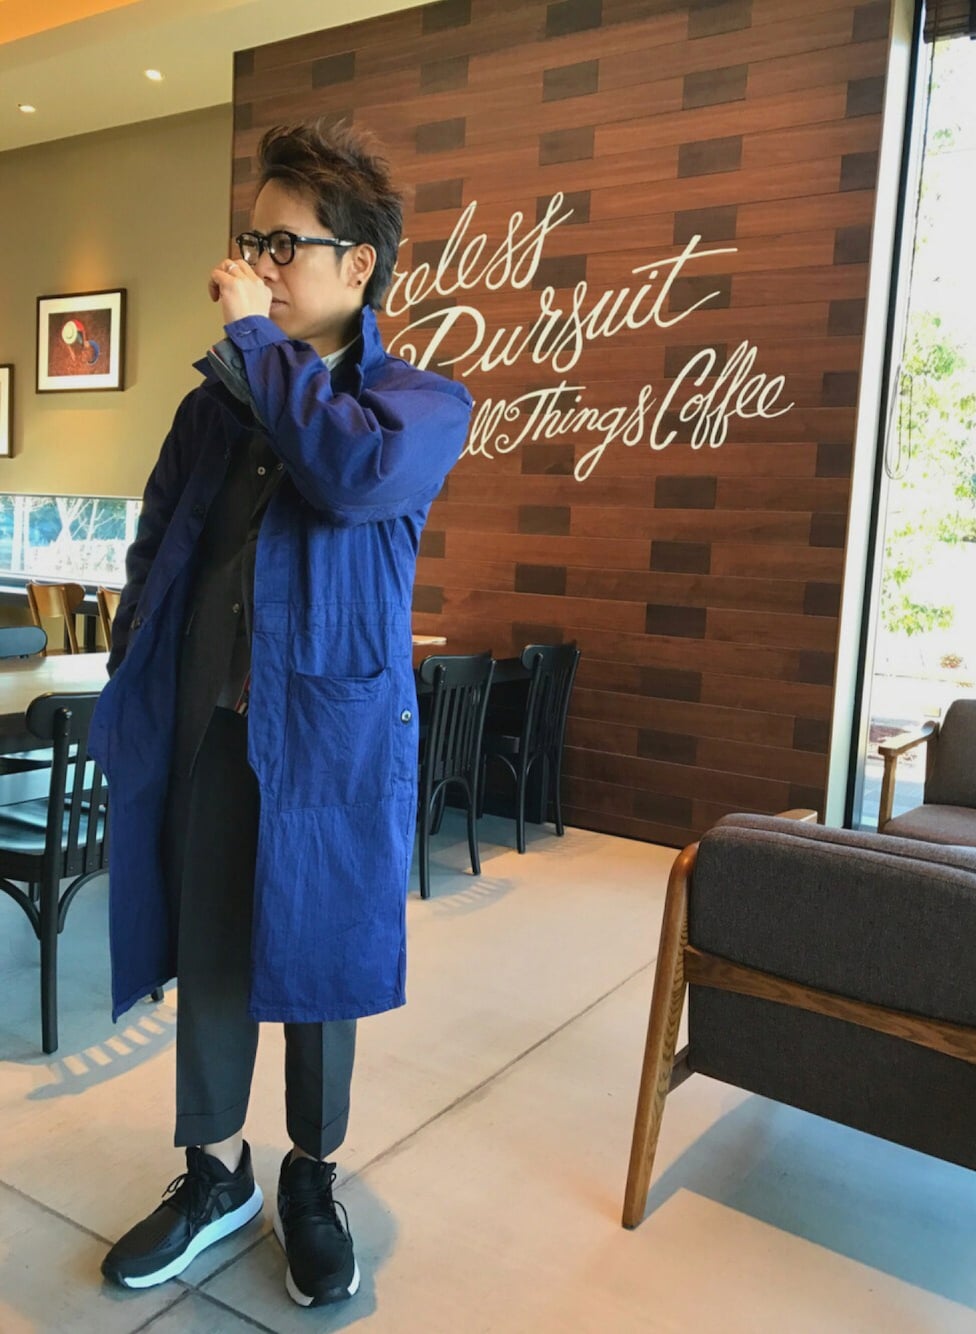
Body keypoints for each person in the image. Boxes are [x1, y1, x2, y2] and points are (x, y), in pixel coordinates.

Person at [89, 120, 472, 1308]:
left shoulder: (417, 403)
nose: (254, 265)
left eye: (282, 245)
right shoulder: (212, 408)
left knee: (318, 958)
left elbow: (347, 475)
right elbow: (156, 540)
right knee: (210, 955)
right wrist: (136, 652)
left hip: (332, 740)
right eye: (251, 241)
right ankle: (216, 1173)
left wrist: (255, 339)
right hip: (212, 729)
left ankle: (311, 1172)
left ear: (358, 264)